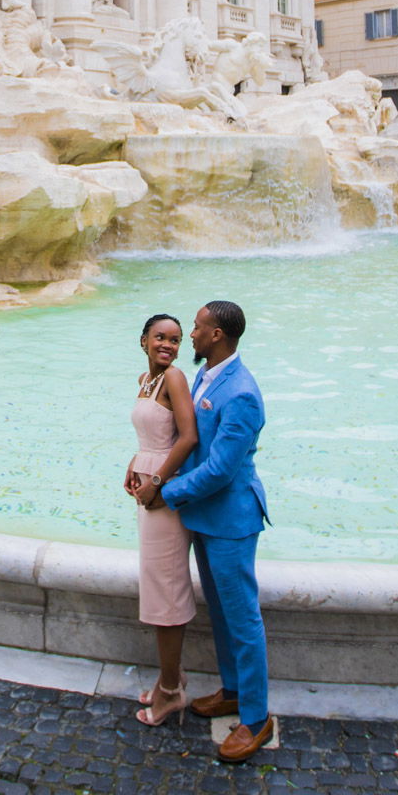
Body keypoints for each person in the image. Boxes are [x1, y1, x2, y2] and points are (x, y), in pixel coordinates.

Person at [135, 298, 274, 762]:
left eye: (195, 329)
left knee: (243, 617)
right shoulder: (207, 374)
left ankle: (255, 718)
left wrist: (166, 492)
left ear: (216, 336)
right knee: (221, 611)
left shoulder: (242, 392)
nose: (188, 336)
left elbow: (220, 469)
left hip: (231, 519)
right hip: (204, 516)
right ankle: (233, 690)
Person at [125, 314, 198, 727]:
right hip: (149, 488)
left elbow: (187, 437)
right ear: (143, 341)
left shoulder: (175, 379)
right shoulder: (145, 380)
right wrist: (135, 462)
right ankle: (172, 676)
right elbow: (155, 436)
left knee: (165, 590)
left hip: (163, 495)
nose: (167, 345)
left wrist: (155, 481)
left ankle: (170, 692)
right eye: (159, 338)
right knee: (158, 584)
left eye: (174, 339)